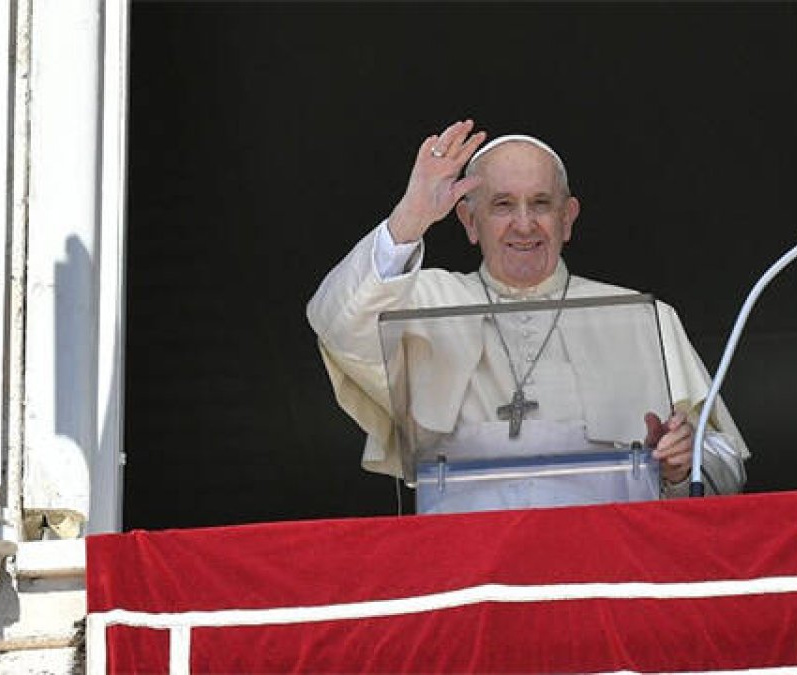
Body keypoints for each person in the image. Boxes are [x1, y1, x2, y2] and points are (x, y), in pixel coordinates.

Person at [307, 119, 747, 511]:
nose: (523, 224)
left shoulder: (644, 317)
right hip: (467, 570)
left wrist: (681, 462)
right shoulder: (419, 301)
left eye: (540, 204)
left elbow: (726, 470)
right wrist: (410, 219)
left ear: (567, 219)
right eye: (501, 205)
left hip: (603, 566)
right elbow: (336, 323)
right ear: (469, 221)